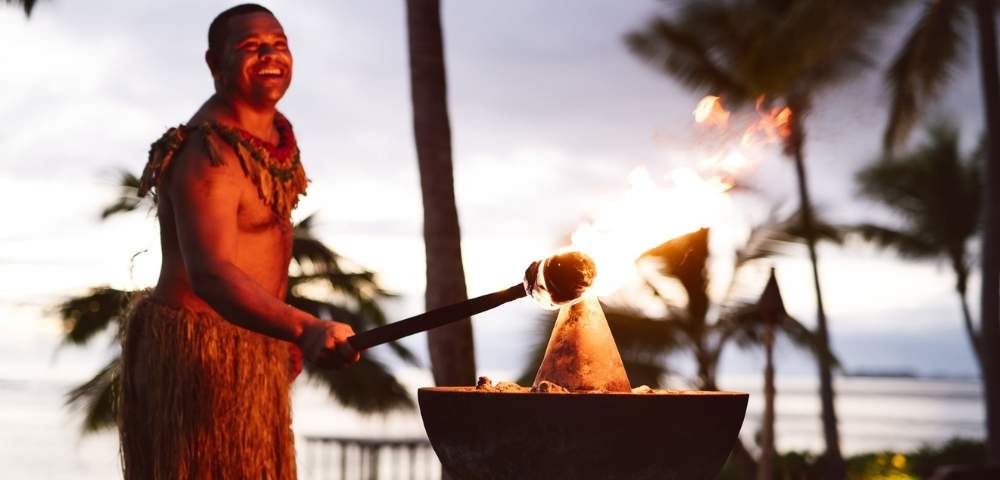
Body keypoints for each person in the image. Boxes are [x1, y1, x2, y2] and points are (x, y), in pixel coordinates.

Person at [119, 5, 359, 479]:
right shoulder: (208, 154)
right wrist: (301, 327)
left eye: (279, 43)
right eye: (251, 47)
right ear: (215, 63)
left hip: (255, 347)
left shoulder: (269, 135)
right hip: (200, 356)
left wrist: (278, 334)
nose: (270, 55)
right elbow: (210, 272)